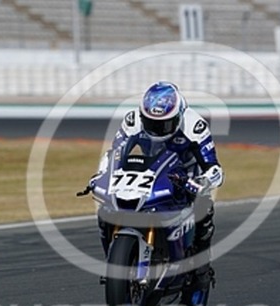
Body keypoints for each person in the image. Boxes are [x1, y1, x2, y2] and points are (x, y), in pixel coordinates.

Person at [89, 81, 224, 291]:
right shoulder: (133, 120)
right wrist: (102, 175)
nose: (157, 129)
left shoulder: (194, 126)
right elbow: (114, 154)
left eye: (164, 124)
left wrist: (203, 182)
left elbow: (214, 168)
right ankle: (114, 263)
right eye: (151, 123)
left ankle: (201, 268)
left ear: (177, 117)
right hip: (150, 171)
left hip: (185, 175)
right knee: (107, 207)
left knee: (204, 207)